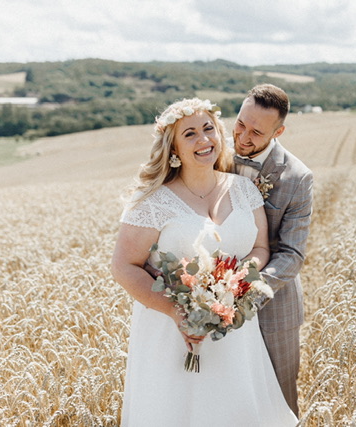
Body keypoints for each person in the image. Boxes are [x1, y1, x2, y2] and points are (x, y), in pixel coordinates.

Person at [111, 98, 298, 426]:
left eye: (209, 129)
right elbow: (124, 266)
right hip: (171, 332)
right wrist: (177, 312)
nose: (204, 139)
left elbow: (259, 248)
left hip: (235, 328)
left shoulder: (244, 190)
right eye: (190, 134)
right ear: (173, 148)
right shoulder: (152, 202)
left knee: (236, 411)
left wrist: (232, 287)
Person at [232, 84, 313, 416]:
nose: (243, 137)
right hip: (208, 296)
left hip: (274, 306)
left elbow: (291, 253)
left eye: (256, 132)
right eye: (240, 124)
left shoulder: (297, 177)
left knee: (279, 404)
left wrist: (243, 293)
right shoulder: (210, 156)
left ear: (279, 131)